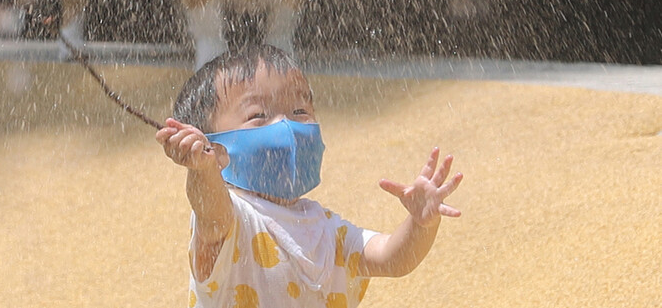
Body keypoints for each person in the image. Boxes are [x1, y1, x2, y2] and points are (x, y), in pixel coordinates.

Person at [156, 45, 463, 308]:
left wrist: (421, 223)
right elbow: (210, 211)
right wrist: (201, 170)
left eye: (300, 110)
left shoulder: (328, 229)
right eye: (258, 115)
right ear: (215, 147)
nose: (287, 126)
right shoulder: (235, 221)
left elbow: (394, 258)